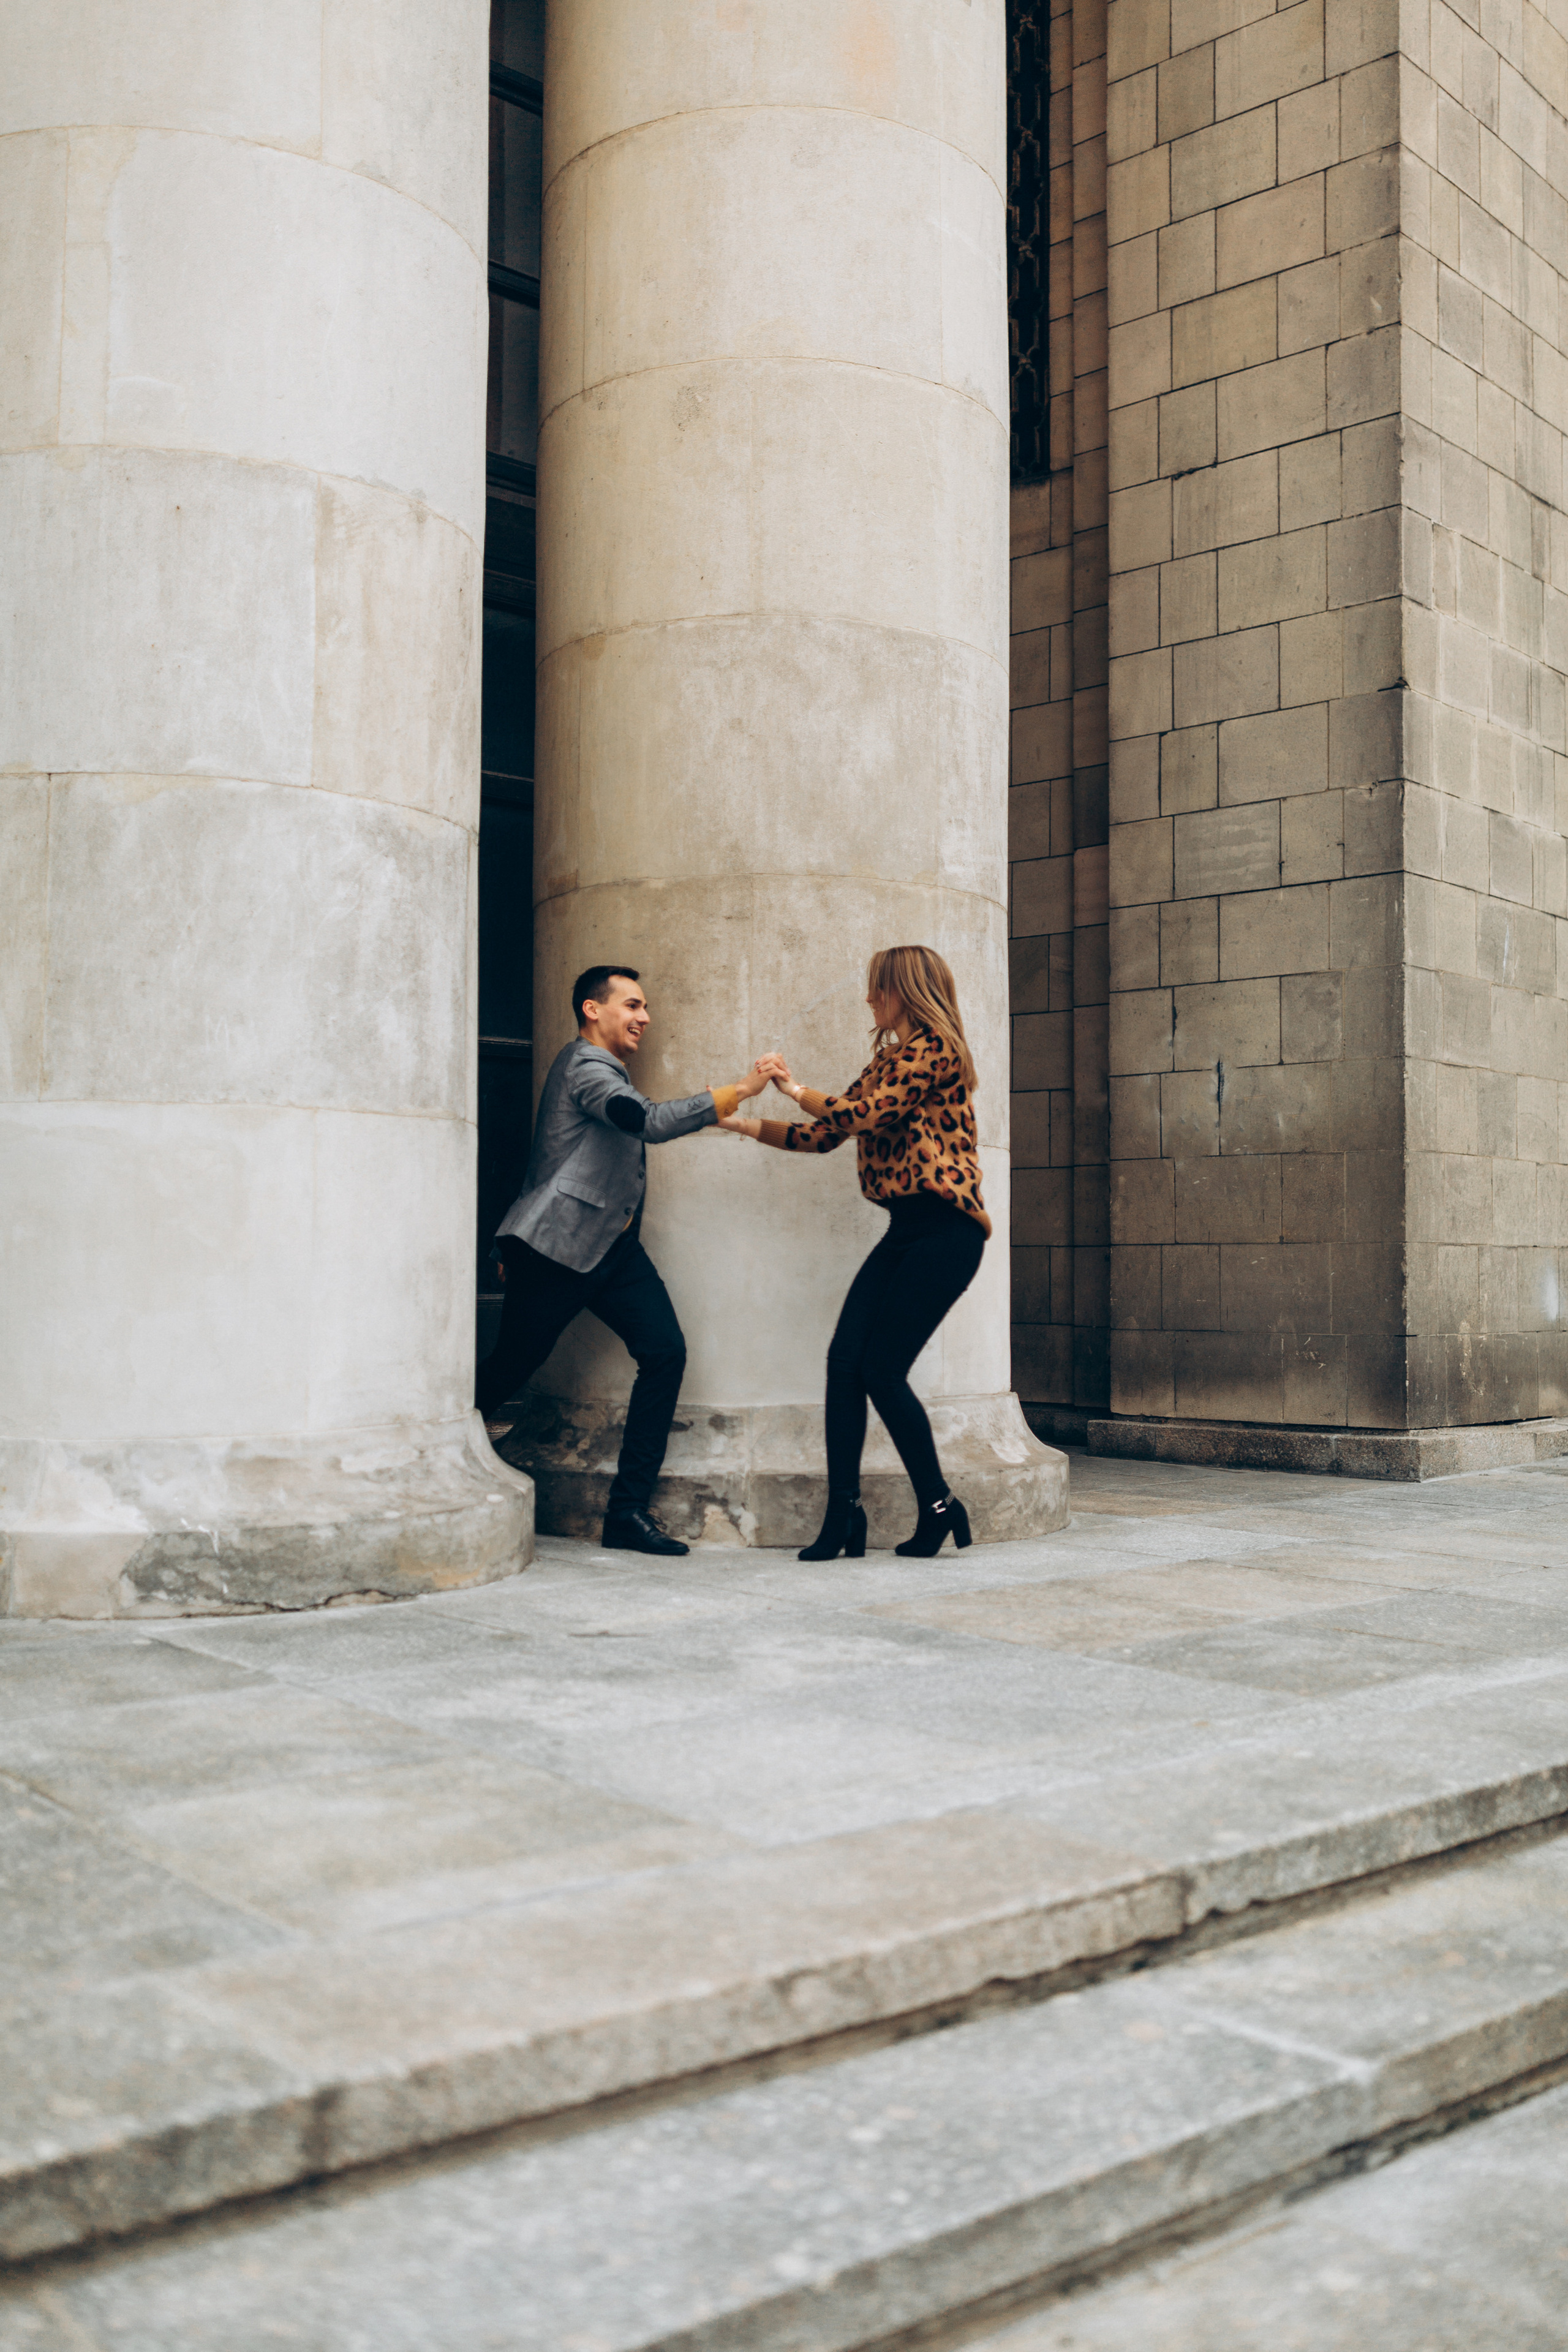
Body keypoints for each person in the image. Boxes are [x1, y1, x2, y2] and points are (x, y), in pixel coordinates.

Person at [478, 966, 771, 1557]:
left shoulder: (604, 1069)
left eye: (645, 1008)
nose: (644, 1017)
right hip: (557, 1250)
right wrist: (736, 1091)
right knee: (510, 1367)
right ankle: (440, 1457)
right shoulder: (585, 1067)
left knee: (665, 1353)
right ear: (593, 1009)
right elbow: (650, 1122)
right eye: (632, 1005)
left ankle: (628, 1514)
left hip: (613, 1245)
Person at [721, 944, 990, 1561]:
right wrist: (740, 1123)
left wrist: (793, 1087)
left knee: (881, 1370)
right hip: (907, 1229)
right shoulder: (887, 1063)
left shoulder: (936, 1052)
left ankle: (939, 1506)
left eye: (879, 989)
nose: (870, 1000)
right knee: (845, 1363)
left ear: (905, 991)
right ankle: (843, 1516)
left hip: (948, 1232)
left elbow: (862, 1116)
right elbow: (825, 1135)